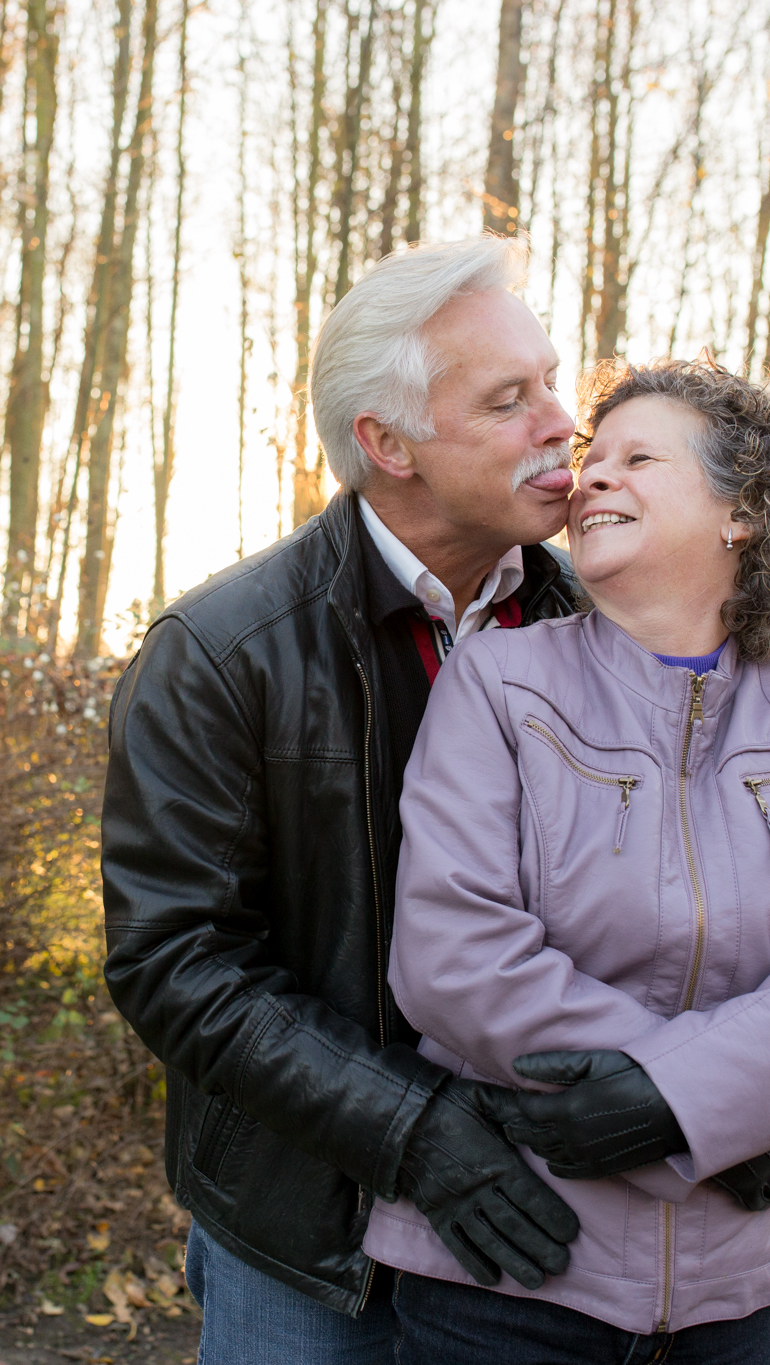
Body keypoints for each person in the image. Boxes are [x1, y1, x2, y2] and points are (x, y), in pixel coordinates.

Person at [363, 357, 770, 1364]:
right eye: (591, 460)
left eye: (638, 458)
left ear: (740, 515)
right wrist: (713, 1116)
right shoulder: (496, 683)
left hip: (734, 1294)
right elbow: (454, 955)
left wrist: (671, 1105)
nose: (590, 479)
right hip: (511, 1277)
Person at [100, 236, 587, 1364]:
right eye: (509, 400)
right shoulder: (222, 654)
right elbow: (176, 961)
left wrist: (755, 1100)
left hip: (556, 1222)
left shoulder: (602, 629)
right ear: (387, 443)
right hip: (315, 1240)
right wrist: (411, 1131)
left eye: (552, 383)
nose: (561, 421)